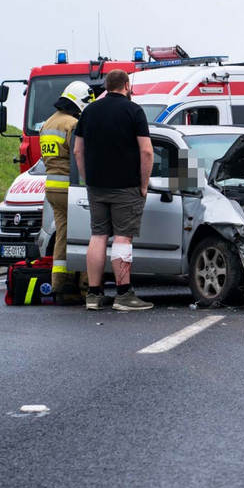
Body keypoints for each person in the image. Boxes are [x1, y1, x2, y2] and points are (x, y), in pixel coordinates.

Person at [73, 69, 155, 311]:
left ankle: (94, 294)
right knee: (122, 237)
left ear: (107, 87)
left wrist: (89, 178)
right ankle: (123, 295)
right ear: (127, 85)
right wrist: (143, 183)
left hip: (97, 186)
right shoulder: (134, 111)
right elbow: (147, 151)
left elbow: (78, 151)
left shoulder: (89, 112)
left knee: (98, 235)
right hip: (126, 186)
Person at [39, 80, 94, 304]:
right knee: (88, 234)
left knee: (62, 234)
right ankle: (86, 284)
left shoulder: (47, 124)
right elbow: (79, 156)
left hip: (52, 188)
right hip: (71, 189)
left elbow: (45, 159)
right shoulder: (72, 124)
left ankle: (59, 283)